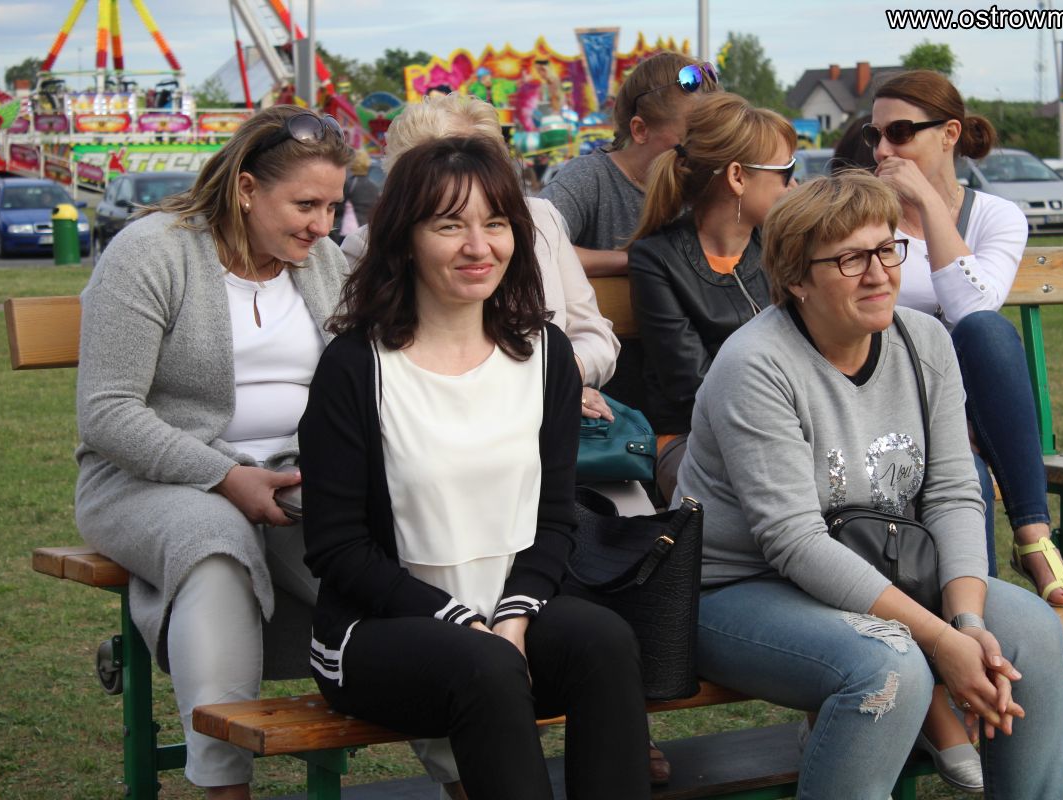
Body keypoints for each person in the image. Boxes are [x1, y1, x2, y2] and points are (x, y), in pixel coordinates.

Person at [680, 172, 1063, 799]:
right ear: (797, 279)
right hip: (738, 588)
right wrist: (941, 639)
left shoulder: (926, 341)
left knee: (1031, 630)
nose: (879, 274)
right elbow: (794, 542)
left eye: (888, 250)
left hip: (879, 566)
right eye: (850, 259)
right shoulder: (756, 364)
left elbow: (952, 492)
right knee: (889, 666)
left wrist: (968, 621)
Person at [299, 136, 650, 800]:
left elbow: (555, 518)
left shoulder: (545, 355)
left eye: (495, 223)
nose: (478, 246)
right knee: (485, 665)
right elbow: (337, 547)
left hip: (511, 612)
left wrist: (515, 615)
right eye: (448, 225)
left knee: (602, 640)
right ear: (404, 239)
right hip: (381, 629)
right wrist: (463, 622)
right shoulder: (354, 367)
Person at [75, 106, 352, 800]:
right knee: (216, 546)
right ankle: (225, 787)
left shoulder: (321, 262)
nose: (323, 226)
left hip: (293, 472)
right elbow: (107, 412)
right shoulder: (152, 253)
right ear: (247, 189)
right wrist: (225, 475)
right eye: (306, 205)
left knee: (377, 559)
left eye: (333, 207)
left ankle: (466, 766)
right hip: (149, 478)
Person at [866, 70, 1063, 608]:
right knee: (965, 468)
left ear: (949, 134)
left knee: (986, 330)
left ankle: (1031, 536)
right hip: (889, 394)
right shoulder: (866, 214)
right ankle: (980, 615)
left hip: (972, 400)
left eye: (899, 132)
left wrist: (928, 203)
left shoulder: (997, 216)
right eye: (874, 135)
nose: (882, 150)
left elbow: (972, 307)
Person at [340, 93, 621, 420]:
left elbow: (595, 336)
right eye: (449, 222)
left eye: (472, 159)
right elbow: (368, 365)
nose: (477, 246)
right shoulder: (368, 245)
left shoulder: (540, 220)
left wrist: (558, 380)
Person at [627, 91, 797, 502]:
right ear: (737, 177)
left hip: (784, 429)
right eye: (785, 173)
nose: (795, 186)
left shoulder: (784, 246)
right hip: (691, 437)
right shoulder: (657, 258)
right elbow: (692, 385)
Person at [539, 51, 720, 277]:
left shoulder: (700, 186)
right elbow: (535, 244)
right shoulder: (591, 177)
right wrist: (639, 261)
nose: (704, 146)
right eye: (692, 133)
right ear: (640, 130)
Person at [330, 148, 380, 244]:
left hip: (347, 229)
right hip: (365, 230)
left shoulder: (349, 184)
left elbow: (339, 206)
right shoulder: (374, 186)